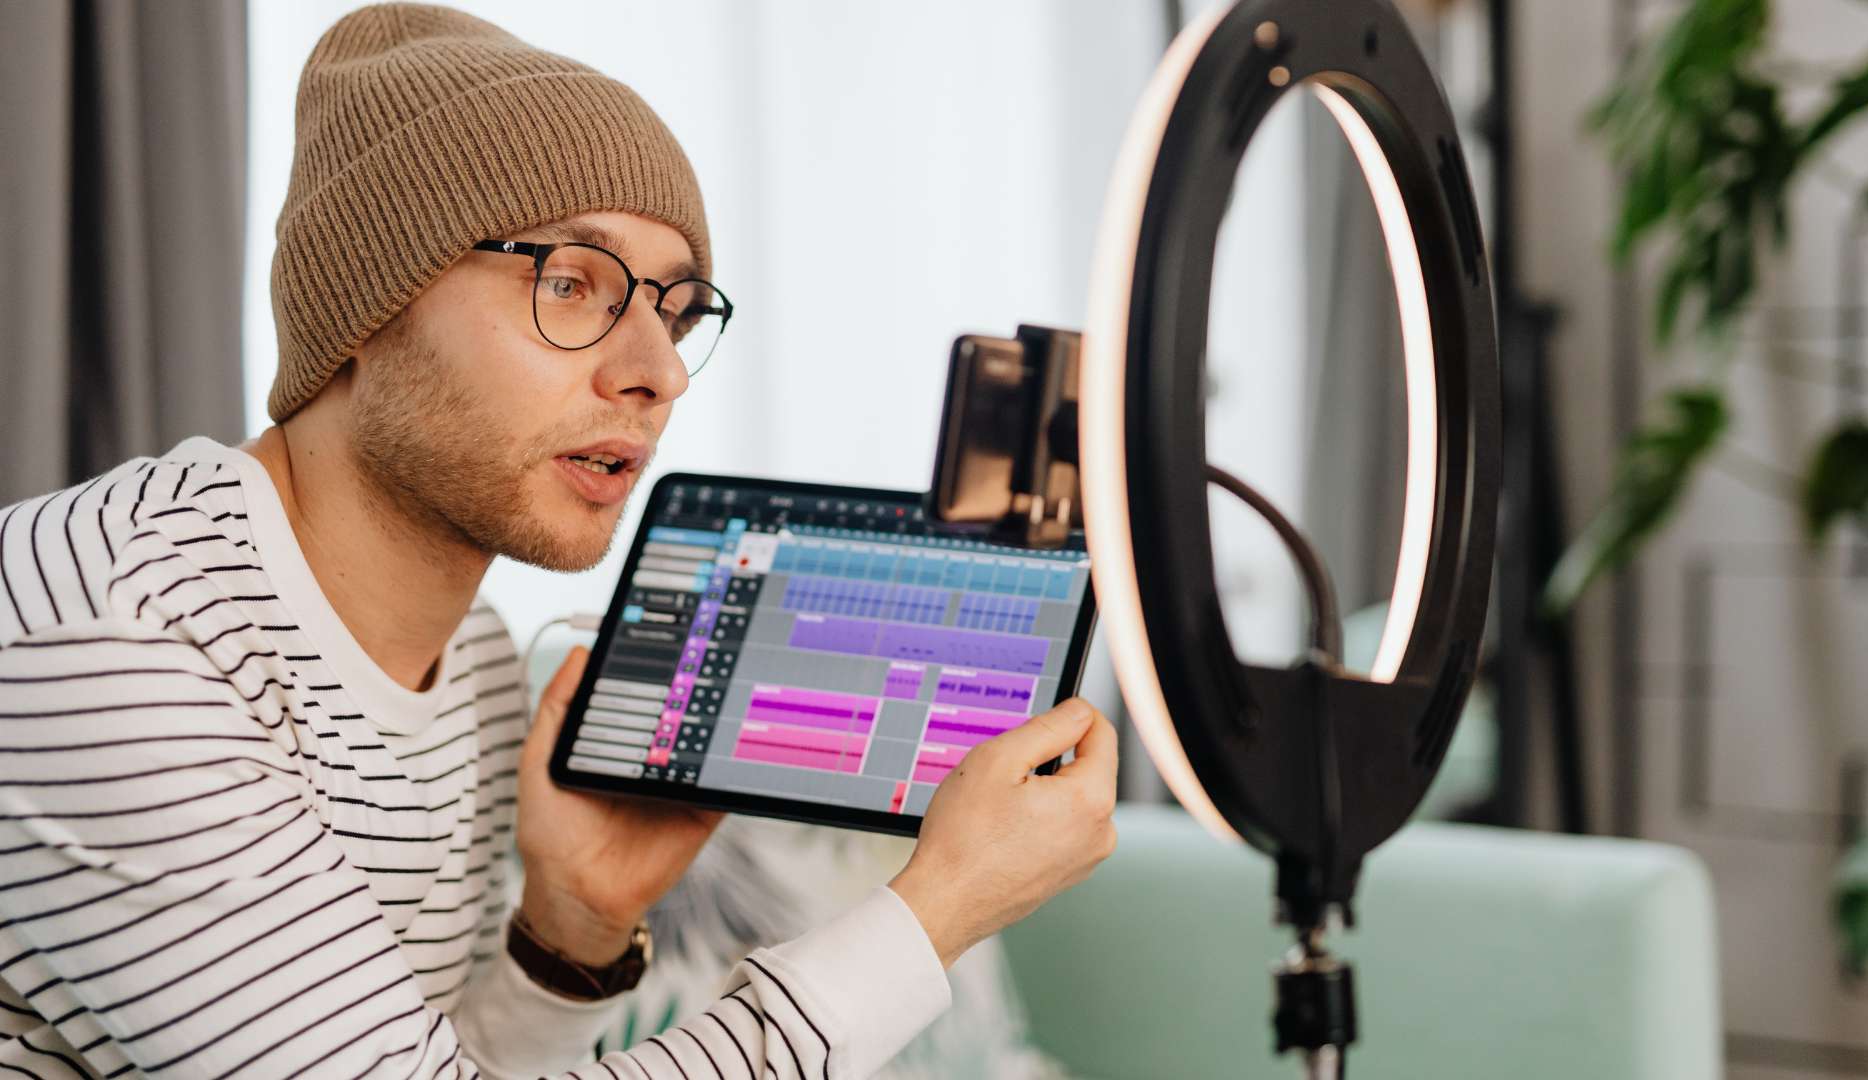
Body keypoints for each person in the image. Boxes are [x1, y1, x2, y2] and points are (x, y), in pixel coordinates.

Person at [0, 5, 1118, 1077]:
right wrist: (936, 912)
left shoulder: (475, 659)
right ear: (364, 310)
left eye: (676, 311)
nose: (659, 371)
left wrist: (568, 932)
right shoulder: (114, 639)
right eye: (572, 282)